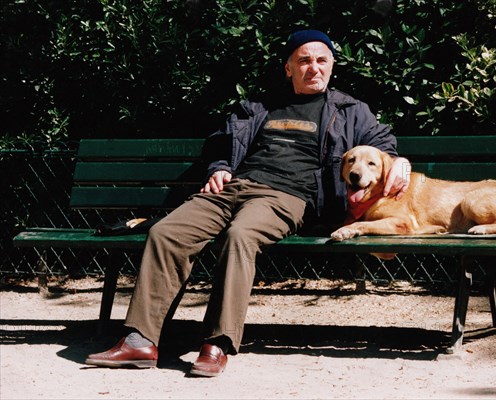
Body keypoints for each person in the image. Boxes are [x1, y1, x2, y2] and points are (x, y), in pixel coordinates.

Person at [85, 29, 411, 377]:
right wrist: (220, 167)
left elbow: (381, 144)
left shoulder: (350, 110)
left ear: (331, 65)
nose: (313, 68)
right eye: (304, 60)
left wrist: (400, 161)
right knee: (166, 233)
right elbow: (221, 142)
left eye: (321, 60)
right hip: (232, 188)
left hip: (288, 197)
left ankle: (216, 343)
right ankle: (140, 341)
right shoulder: (258, 106)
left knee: (241, 236)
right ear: (289, 68)